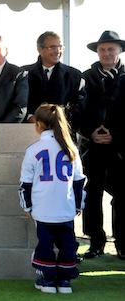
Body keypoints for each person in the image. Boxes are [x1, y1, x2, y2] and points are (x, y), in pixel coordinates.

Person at [19, 104, 86, 294]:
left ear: (39, 124)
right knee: (67, 243)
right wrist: (78, 205)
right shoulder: (71, 148)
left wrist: (27, 207)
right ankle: (64, 281)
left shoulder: (33, 149)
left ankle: (48, 280)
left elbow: (25, 183)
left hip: (42, 209)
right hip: (66, 208)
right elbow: (80, 181)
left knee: (45, 244)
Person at [80, 30, 125, 260]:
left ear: (120, 51)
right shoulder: (85, 77)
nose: (106, 53)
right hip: (92, 147)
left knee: (122, 194)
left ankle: (123, 243)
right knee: (92, 193)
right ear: (97, 52)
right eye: (102, 49)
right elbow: (77, 111)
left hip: (120, 148)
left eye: (111, 49)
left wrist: (114, 135)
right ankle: (95, 241)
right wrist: (90, 133)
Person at [22, 31, 86, 128]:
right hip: (30, 131)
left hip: (63, 131)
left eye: (60, 47)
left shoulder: (74, 76)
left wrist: (57, 119)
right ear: (40, 49)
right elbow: (18, 102)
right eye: (52, 47)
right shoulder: (24, 74)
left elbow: (80, 107)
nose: (57, 51)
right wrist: (29, 117)